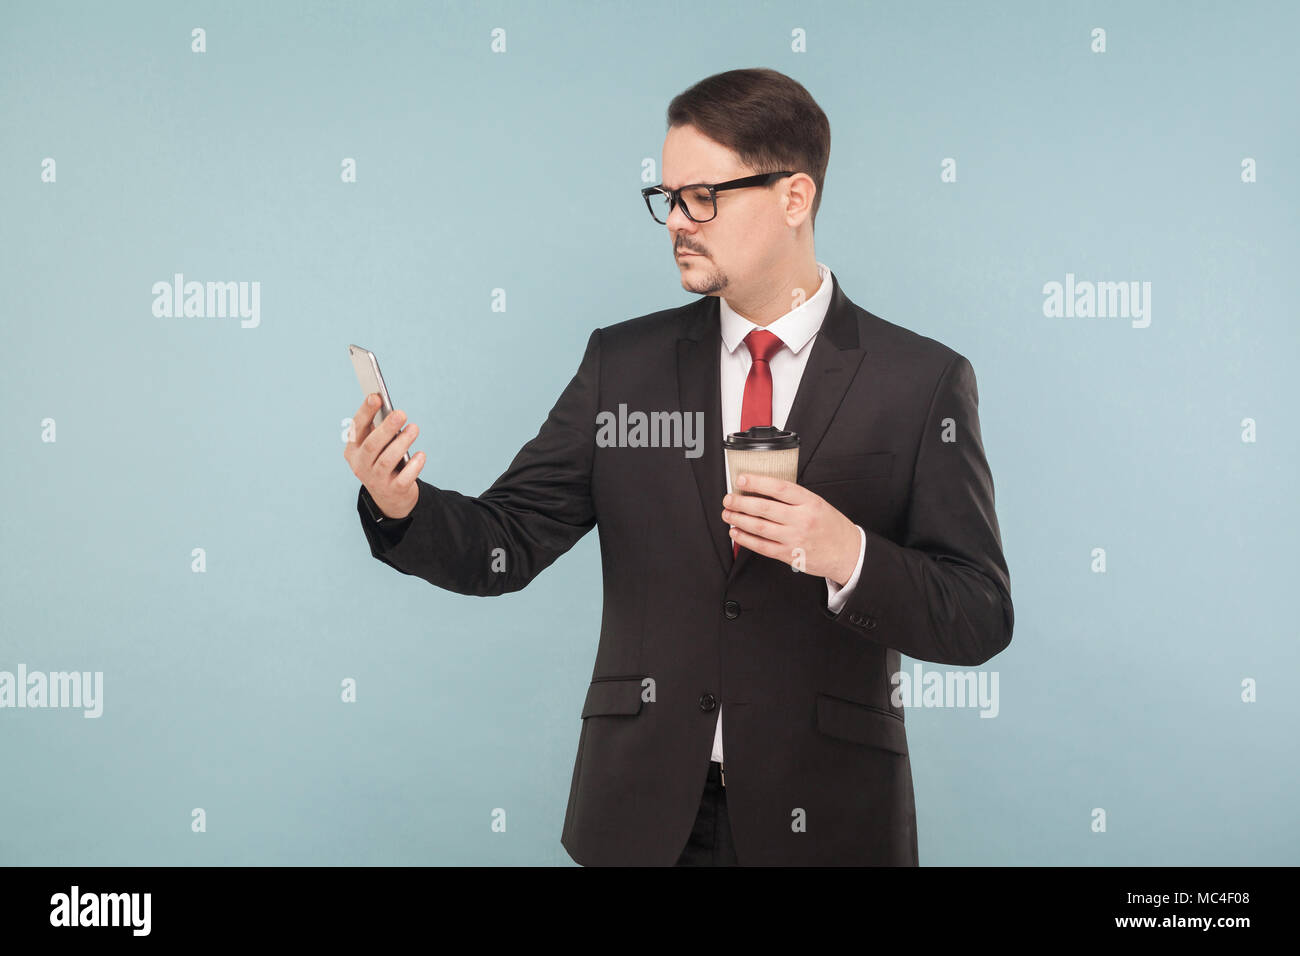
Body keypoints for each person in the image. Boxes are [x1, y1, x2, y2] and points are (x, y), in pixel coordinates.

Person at [343, 67, 1013, 866]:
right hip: (642, 818)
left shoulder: (920, 380)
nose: (676, 223)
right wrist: (402, 505)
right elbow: (508, 541)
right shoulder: (623, 365)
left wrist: (848, 554)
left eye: (704, 196)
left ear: (794, 198)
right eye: (667, 197)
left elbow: (979, 611)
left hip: (829, 820)